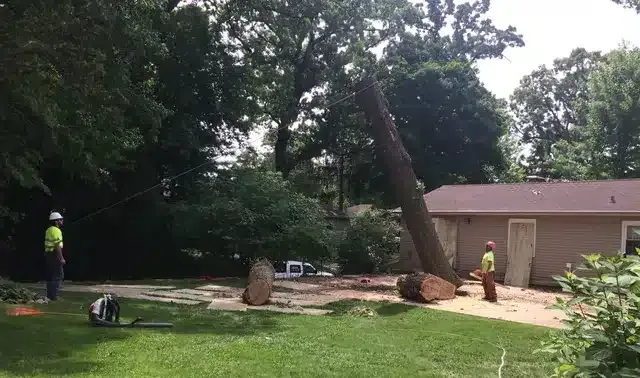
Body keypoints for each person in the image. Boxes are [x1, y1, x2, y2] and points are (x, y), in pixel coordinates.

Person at [44, 212, 65, 301]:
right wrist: (61, 258)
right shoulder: (56, 230)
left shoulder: (48, 230)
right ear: (56, 221)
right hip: (54, 255)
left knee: (50, 275)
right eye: (60, 219)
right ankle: (54, 296)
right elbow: (57, 245)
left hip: (48, 255)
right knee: (58, 275)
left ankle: (49, 295)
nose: (62, 221)